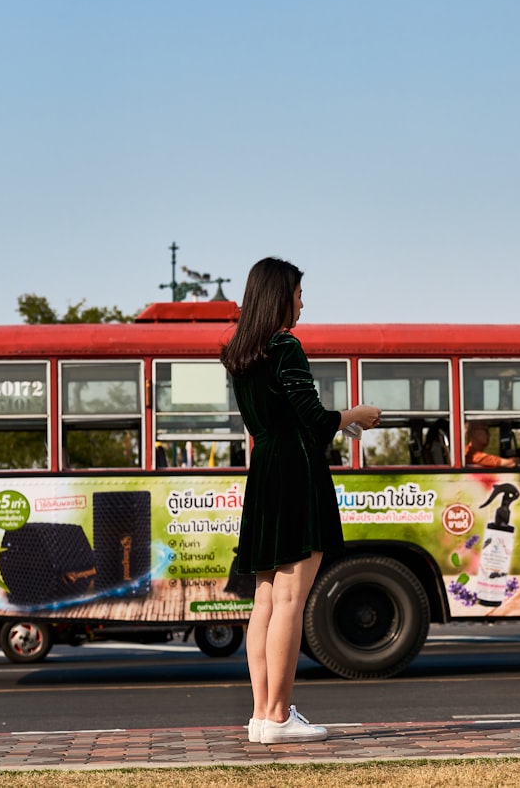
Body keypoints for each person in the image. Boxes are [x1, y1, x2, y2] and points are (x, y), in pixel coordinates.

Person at [220, 257, 381, 745]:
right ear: (278, 296)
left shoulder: (239, 353)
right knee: (291, 599)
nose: (302, 303)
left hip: (265, 468)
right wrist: (359, 413)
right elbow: (312, 420)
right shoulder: (286, 345)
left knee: (265, 598)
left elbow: (269, 422)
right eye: (297, 294)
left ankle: (260, 716)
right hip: (296, 471)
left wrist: (332, 422)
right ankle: (280, 715)